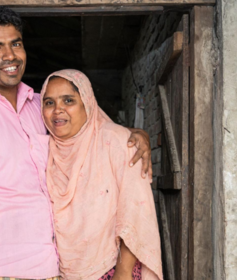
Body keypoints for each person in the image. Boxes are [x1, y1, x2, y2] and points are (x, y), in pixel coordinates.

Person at [0, 6, 153, 280]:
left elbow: (91, 127)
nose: (9, 56)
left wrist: (134, 134)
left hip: (51, 269)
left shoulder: (41, 106)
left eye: (16, 44)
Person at [41, 70, 162, 280]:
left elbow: (135, 212)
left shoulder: (117, 141)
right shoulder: (45, 151)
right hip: (61, 274)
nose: (58, 110)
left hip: (113, 269)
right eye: (49, 103)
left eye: (68, 100)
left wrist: (122, 274)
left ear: (87, 103)